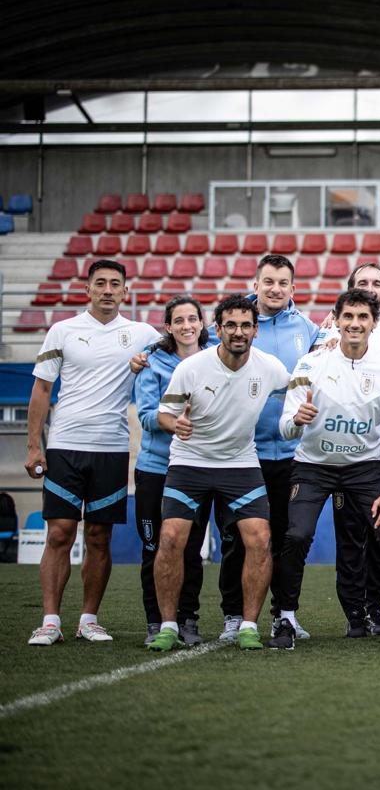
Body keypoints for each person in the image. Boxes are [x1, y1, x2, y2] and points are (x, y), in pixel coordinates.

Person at [269, 290, 380, 649]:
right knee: (296, 536)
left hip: (365, 468)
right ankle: (284, 617)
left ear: (374, 323)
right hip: (313, 466)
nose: (354, 323)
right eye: (347, 316)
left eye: (362, 317)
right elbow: (285, 426)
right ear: (335, 319)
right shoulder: (311, 364)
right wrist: (296, 421)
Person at [146, 295, 291, 651]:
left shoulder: (269, 367)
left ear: (255, 330)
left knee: (259, 538)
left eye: (245, 325)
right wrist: (174, 424)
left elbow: (300, 385)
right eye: (230, 325)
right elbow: (165, 413)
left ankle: (248, 626)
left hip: (240, 463)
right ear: (219, 329)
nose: (238, 332)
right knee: (170, 538)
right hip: (189, 463)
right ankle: (167, 625)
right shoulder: (192, 367)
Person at [26, 260, 159, 646]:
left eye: (114, 284)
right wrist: (35, 445)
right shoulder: (62, 330)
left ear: (125, 293)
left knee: (99, 537)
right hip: (65, 446)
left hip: (113, 449)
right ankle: (50, 621)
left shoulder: (142, 334)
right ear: (87, 289)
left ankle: (89, 619)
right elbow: (41, 391)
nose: (106, 290)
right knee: (60, 533)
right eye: (99, 283)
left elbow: (186, 348)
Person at [220, 254, 320, 644]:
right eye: (269, 282)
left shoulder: (308, 330)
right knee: (235, 537)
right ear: (256, 284)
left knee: (283, 538)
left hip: (291, 455)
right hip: (240, 452)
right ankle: (233, 615)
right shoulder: (237, 322)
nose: (276, 289)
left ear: (293, 289)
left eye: (283, 283)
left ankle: (283, 615)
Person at [315, 262, 380, 635]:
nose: (370, 288)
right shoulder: (332, 327)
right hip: (348, 449)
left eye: (376, 283)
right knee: (351, 536)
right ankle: (358, 613)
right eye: (362, 283)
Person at [132, 295, 213, 646]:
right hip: (156, 469)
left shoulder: (215, 361)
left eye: (192, 319)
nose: (186, 326)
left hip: (197, 469)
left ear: (201, 323)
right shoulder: (152, 362)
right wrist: (173, 423)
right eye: (178, 320)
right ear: (168, 326)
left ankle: (187, 619)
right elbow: (146, 416)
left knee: (191, 549)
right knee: (154, 549)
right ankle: (156, 621)